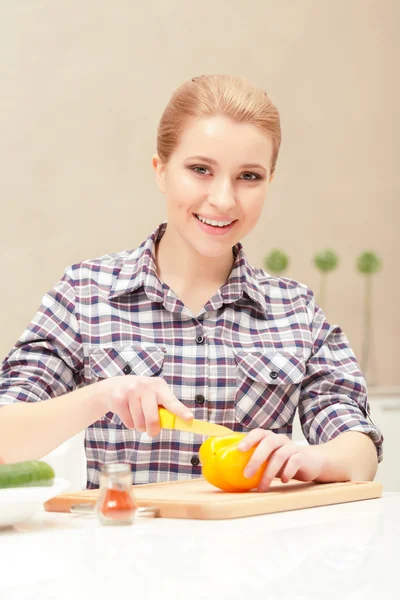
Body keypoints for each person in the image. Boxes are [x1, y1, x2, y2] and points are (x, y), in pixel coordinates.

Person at [0, 74, 382, 490]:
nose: (223, 199)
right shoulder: (85, 293)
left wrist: (311, 458)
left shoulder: (296, 310)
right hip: (119, 550)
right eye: (201, 169)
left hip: (258, 554)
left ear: (270, 181)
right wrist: (102, 395)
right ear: (161, 171)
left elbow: (358, 450)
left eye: (249, 176)